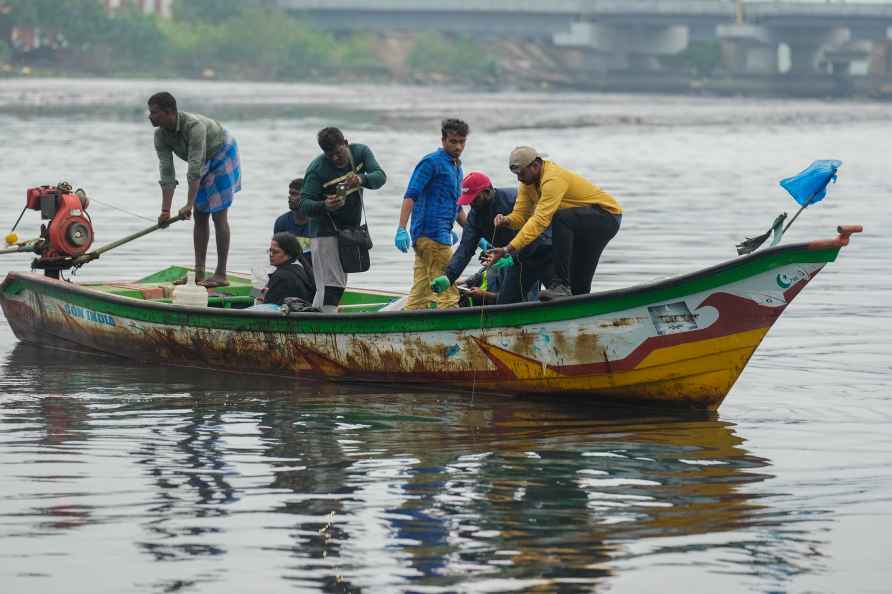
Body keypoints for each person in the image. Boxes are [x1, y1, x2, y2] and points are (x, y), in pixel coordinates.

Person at [483, 147, 623, 301]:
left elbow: (540, 220)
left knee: (561, 218)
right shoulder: (527, 183)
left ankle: (560, 285)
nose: (519, 179)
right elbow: (521, 216)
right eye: (516, 175)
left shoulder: (553, 179)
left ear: (535, 166)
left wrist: (507, 249)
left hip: (606, 216)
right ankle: (576, 312)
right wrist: (507, 220)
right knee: (578, 286)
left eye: (521, 174)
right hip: (583, 225)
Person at [148, 91, 241, 288]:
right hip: (203, 161)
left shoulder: (194, 127)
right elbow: (167, 173)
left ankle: (221, 274)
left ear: (169, 112)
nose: (150, 116)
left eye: (155, 113)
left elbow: (194, 167)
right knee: (200, 215)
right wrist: (165, 211)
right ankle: (199, 274)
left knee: (218, 215)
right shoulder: (160, 135)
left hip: (221, 152)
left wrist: (188, 203)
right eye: (150, 112)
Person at [431, 171, 552, 305]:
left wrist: (513, 256)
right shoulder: (474, 217)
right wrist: (449, 277)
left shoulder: (514, 201)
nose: (472, 204)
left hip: (545, 249)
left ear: (488, 192)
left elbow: (541, 230)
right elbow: (465, 249)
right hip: (516, 261)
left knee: (559, 292)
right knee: (506, 302)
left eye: (475, 199)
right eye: (468, 201)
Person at [299, 127, 387, 313]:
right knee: (332, 285)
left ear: (346, 143)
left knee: (331, 283)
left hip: (348, 232)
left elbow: (380, 177)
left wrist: (361, 179)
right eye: (330, 155)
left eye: (338, 153)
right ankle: (325, 327)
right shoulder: (317, 170)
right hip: (324, 232)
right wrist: (325, 205)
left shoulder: (361, 152)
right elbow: (304, 204)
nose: (335, 159)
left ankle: (316, 320)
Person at [395, 118, 469, 310]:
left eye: (462, 142)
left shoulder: (456, 167)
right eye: (453, 141)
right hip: (432, 237)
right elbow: (411, 195)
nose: (458, 146)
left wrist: (475, 234)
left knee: (421, 293)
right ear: (443, 140)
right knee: (448, 290)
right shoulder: (431, 163)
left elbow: (457, 207)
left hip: (437, 238)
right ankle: (453, 334)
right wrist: (401, 228)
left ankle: (407, 332)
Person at [255, 232, 315, 306]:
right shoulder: (300, 267)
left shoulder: (281, 276)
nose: (271, 255)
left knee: (254, 292)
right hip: (304, 310)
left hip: (285, 315)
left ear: (289, 254)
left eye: (275, 252)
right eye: (270, 250)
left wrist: (261, 297)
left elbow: (267, 306)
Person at [274, 177, 312, 257]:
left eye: (294, 194)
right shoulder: (281, 222)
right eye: (290, 193)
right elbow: (277, 254)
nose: (289, 197)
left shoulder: (318, 222)